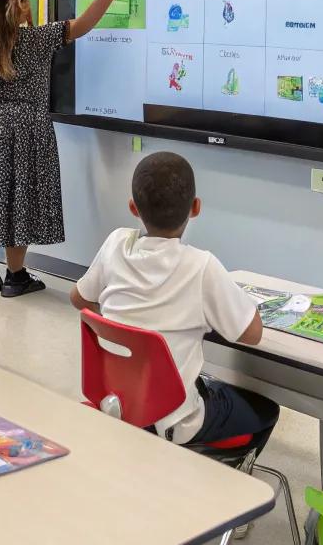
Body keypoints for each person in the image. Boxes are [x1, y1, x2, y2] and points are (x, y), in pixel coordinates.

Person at [71, 151, 279, 452]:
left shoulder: (116, 243)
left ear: (133, 208)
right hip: (175, 422)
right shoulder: (201, 266)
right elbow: (252, 333)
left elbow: (79, 299)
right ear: (196, 208)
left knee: (208, 385)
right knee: (266, 409)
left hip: (116, 404)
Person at [0, 0, 137, 298]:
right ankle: (16, 275)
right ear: (20, 3)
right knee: (18, 197)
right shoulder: (35, 40)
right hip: (24, 127)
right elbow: (83, 25)